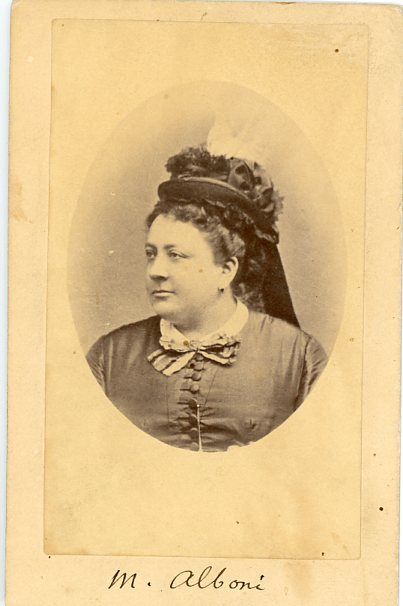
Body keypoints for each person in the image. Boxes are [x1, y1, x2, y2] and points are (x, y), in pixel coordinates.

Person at [86, 146, 327, 452]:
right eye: (151, 254)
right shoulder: (109, 357)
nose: (156, 270)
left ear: (225, 270)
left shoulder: (300, 358)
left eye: (176, 255)